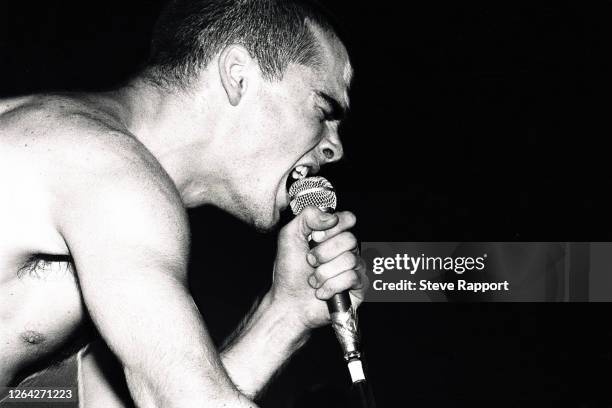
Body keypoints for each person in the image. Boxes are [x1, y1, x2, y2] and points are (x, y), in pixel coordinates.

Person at [0, 0, 367, 406]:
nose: (335, 148)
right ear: (238, 76)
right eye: (323, 110)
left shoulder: (103, 220)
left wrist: (287, 314)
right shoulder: (104, 169)